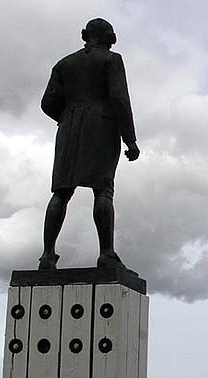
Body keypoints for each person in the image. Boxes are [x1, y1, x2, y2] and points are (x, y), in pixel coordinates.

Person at [39, 18, 139, 272]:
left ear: (85, 35)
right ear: (111, 38)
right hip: (102, 127)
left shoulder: (63, 64)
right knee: (103, 190)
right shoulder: (111, 60)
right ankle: (106, 254)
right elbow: (119, 99)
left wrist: (69, 115)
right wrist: (130, 139)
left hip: (69, 126)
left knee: (61, 192)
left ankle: (47, 256)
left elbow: (47, 103)